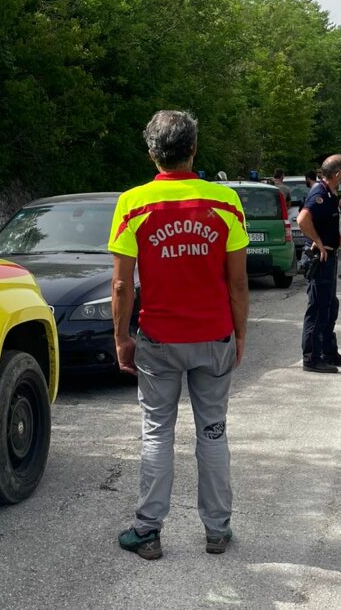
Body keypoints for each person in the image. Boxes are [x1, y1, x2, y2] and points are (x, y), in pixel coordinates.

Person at [109, 110, 249, 560]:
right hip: (214, 336)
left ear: (152, 153)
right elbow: (238, 282)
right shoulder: (225, 202)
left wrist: (120, 338)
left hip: (159, 339)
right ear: (193, 149)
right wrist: (240, 334)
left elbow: (120, 284)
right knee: (212, 432)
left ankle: (147, 531)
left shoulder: (133, 203)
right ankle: (217, 530)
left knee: (157, 432)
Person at [298, 154, 341, 373]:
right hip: (321, 259)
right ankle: (312, 358)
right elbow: (303, 219)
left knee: (331, 306)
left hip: (330, 258)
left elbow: (327, 221)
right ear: (338, 173)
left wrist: (338, 238)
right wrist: (318, 242)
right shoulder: (319, 193)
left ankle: (329, 351)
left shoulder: (331, 194)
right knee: (318, 308)